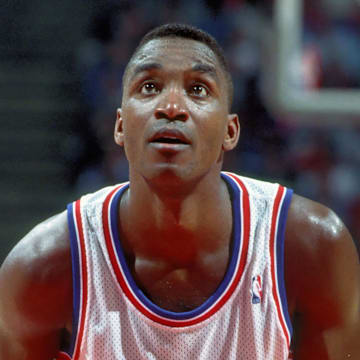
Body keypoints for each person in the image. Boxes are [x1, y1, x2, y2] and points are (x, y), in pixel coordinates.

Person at [0, 23, 359, 360]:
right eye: (150, 87)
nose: (171, 107)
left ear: (230, 132)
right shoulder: (43, 268)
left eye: (198, 89)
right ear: (121, 126)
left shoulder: (309, 247)